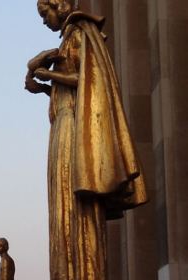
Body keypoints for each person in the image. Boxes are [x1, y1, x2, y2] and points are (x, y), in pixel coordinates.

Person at [25, 0, 148, 279]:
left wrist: (48, 74)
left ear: (60, 7)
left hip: (71, 126)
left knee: (75, 202)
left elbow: (89, 78)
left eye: (45, 13)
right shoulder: (70, 37)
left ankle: (82, 270)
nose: (44, 21)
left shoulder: (80, 33)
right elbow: (76, 88)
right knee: (65, 204)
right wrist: (44, 85)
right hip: (63, 123)